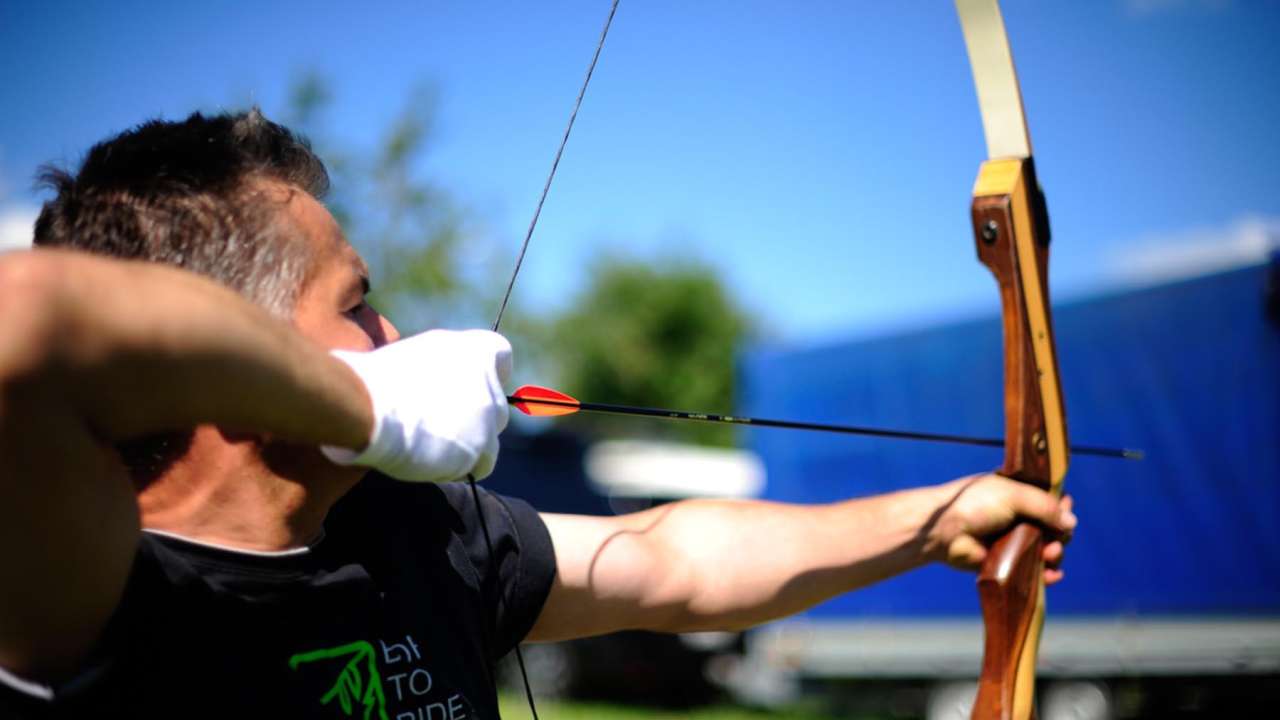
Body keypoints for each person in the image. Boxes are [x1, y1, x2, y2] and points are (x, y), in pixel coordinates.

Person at [0, 110, 1074, 718]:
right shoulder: (94, 574)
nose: (397, 336)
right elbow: (26, 320)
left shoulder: (412, 535)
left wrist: (937, 522)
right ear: (240, 339)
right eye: (359, 304)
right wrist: (361, 403)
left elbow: (672, 561)